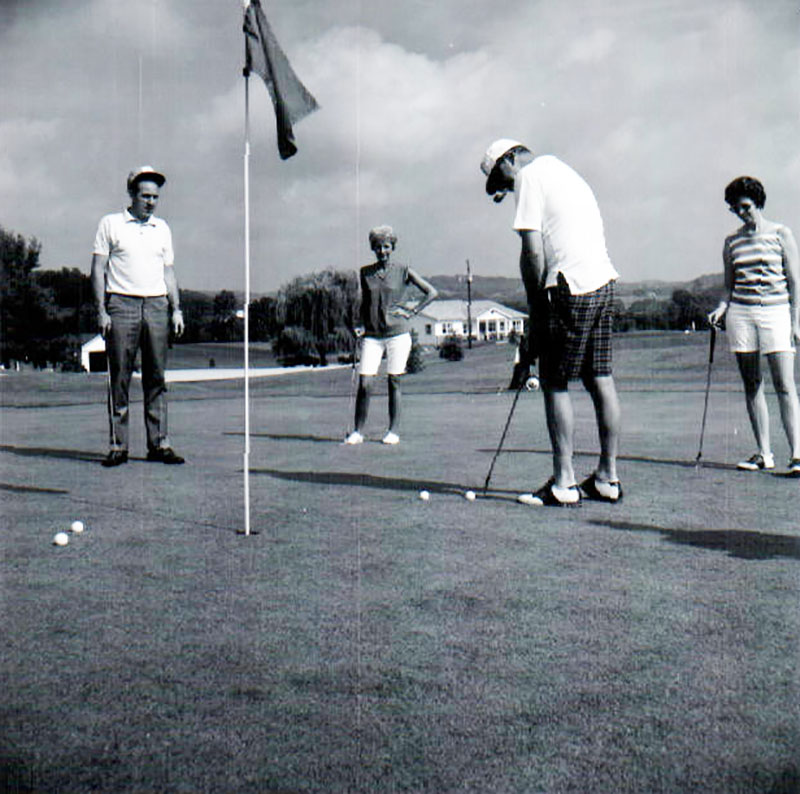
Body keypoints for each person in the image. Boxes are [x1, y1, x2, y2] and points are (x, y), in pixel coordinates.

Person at [480, 139, 622, 506]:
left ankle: (564, 484)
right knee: (599, 377)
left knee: (554, 382)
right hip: (603, 281)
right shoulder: (559, 168)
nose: (507, 186)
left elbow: (532, 251)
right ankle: (608, 478)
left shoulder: (528, 178)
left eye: (502, 176)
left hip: (569, 286)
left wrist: (535, 309)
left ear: (510, 159)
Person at [91, 166, 185, 467]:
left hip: (157, 305)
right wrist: (101, 310)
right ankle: (119, 446)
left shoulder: (163, 228)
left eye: (155, 197)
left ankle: (159, 444)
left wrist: (177, 309)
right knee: (119, 377)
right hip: (121, 304)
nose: (151, 202)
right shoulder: (111, 224)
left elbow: (168, 272)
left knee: (156, 377)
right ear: (132, 194)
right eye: (145, 196)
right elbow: (97, 270)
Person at [708, 176, 800, 475]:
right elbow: (729, 286)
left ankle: (798, 454)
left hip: (776, 313)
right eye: (735, 208)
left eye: (745, 206)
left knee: (785, 385)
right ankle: (764, 453)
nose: (741, 213)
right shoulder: (731, 241)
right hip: (741, 316)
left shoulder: (781, 234)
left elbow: (795, 282)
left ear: (757, 203)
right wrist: (721, 309)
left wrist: (796, 321)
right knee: (752, 385)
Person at [344, 226, 437, 445]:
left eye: (386, 246)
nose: (382, 251)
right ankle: (358, 431)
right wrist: (359, 323)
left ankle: (393, 431)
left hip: (398, 334)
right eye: (378, 247)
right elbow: (364, 303)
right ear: (373, 248)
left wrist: (412, 310)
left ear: (392, 247)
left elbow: (431, 292)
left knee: (394, 380)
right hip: (372, 335)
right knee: (365, 382)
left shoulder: (404, 270)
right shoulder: (365, 272)